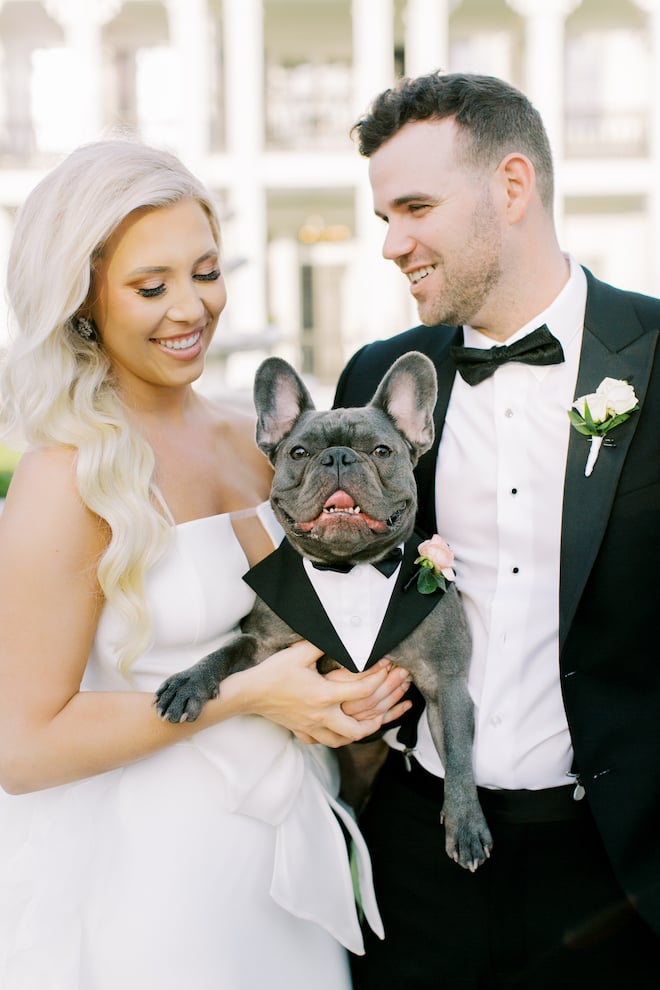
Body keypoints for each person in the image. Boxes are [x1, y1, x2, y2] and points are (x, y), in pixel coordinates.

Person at [0, 138, 412, 990]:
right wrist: (250, 695)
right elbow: (22, 746)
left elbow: (300, 628)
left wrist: (342, 691)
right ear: (84, 303)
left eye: (206, 271)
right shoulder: (63, 477)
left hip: (284, 849)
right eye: (151, 288)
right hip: (149, 876)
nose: (190, 308)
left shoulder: (253, 442)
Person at [334, 71, 660, 989]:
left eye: (416, 207)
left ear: (513, 187)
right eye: (383, 218)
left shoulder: (658, 354)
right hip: (417, 849)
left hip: (618, 867)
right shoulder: (375, 377)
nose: (394, 244)